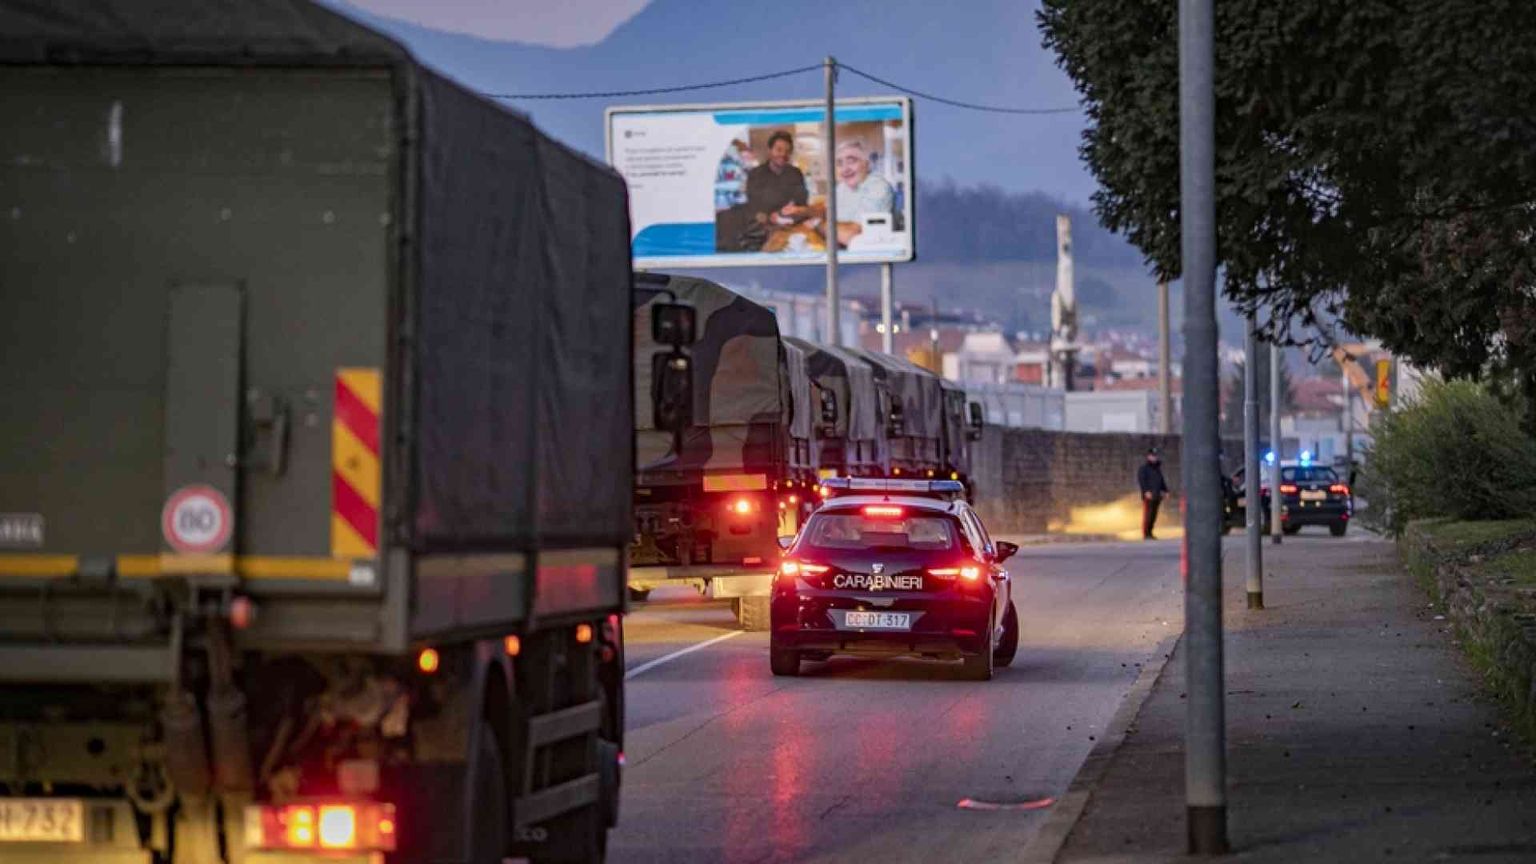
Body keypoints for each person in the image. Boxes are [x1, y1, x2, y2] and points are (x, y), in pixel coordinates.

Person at [832, 140, 895, 244]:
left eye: (851, 161)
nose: (845, 169)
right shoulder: (841, 187)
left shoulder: (878, 187)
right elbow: (827, 212)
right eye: (839, 163)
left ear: (867, 164)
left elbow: (851, 236)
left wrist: (817, 223)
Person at [744, 130, 810, 228]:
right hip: (762, 229)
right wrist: (768, 218)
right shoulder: (755, 174)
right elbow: (752, 208)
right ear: (770, 150)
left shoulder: (796, 173)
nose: (783, 154)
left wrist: (796, 212)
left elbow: (802, 203)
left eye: (787, 151)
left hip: (791, 226)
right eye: (779, 150)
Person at [1137, 448, 1169, 540]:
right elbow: (1142, 481)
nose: (1154, 458)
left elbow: (1161, 480)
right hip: (1149, 495)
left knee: (1154, 515)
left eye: (1155, 456)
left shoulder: (1157, 469)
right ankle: (1146, 533)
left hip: (1157, 495)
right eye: (1152, 456)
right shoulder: (1144, 468)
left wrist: (1165, 490)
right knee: (1148, 515)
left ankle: (1150, 532)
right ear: (1148, 457)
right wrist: (1146, 492)